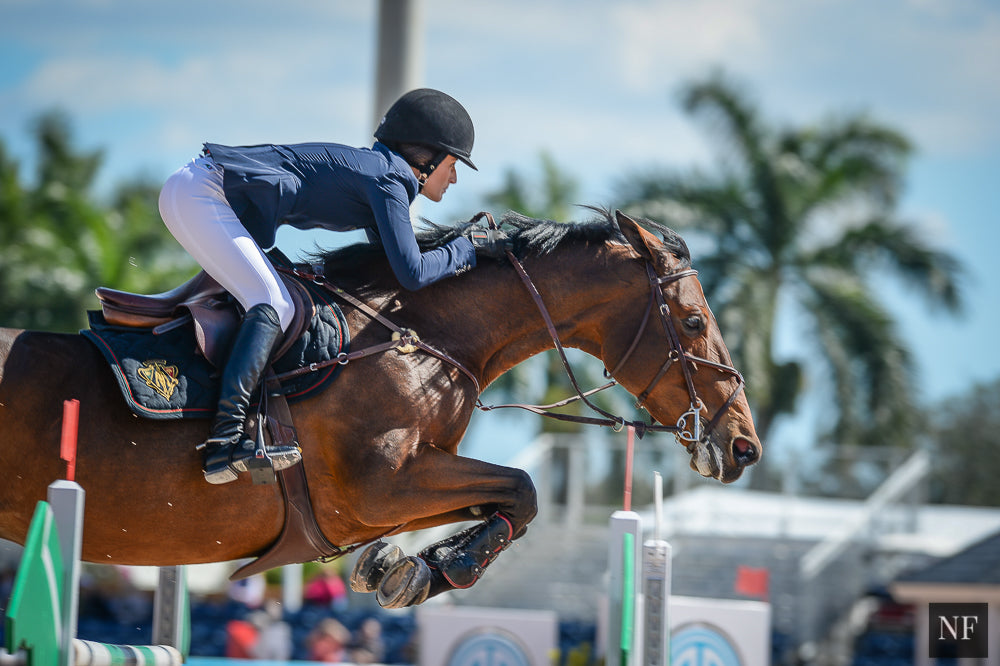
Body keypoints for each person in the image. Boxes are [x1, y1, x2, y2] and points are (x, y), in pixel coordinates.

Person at [157, 88, 510, 484]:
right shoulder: (389, 179)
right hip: (203, 193)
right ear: (426, 158)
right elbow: (412, 273)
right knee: (274, 302)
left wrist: (462, 249)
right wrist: (468, 248)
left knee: (275, 297)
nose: (455, 177)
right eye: (453, 164)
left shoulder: (381, 173)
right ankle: (225, 439)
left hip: (196, 189)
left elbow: (396, 266)